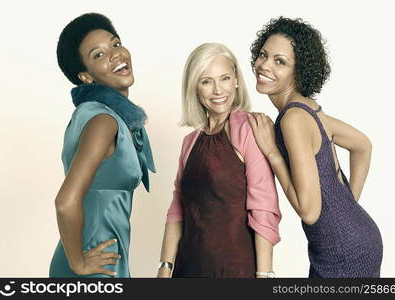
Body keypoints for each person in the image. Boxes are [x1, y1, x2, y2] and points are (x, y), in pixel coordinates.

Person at [247, 17, 383, 278]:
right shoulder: (308, 108)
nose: (264, 65)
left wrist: (273, 153)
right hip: (355, 240)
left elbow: (309, 212)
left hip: (343, 253)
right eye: (263, 55)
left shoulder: (293, 119)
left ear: (299, 72)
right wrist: (348, 206)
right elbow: (363, 146)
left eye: (280, 61)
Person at [157, 43, 281, 278]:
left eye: (224, 78)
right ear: (195, 88)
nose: (217, 90)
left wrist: (265, 275)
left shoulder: (249, 129)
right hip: (186, 268)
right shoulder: (190, 142)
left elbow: (264, 207)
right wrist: (165, 267)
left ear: (236, 78)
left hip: (234, 270)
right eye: (206, 81)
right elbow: (177, 208)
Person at [49, 13, 155, 278]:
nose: (116, 55)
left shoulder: (91, 114)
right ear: (85, 76)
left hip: (93, 251)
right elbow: (65, 201)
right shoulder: (104, 121)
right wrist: (79, 264)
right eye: (98, 55)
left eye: (116, 44)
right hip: (98, 259)